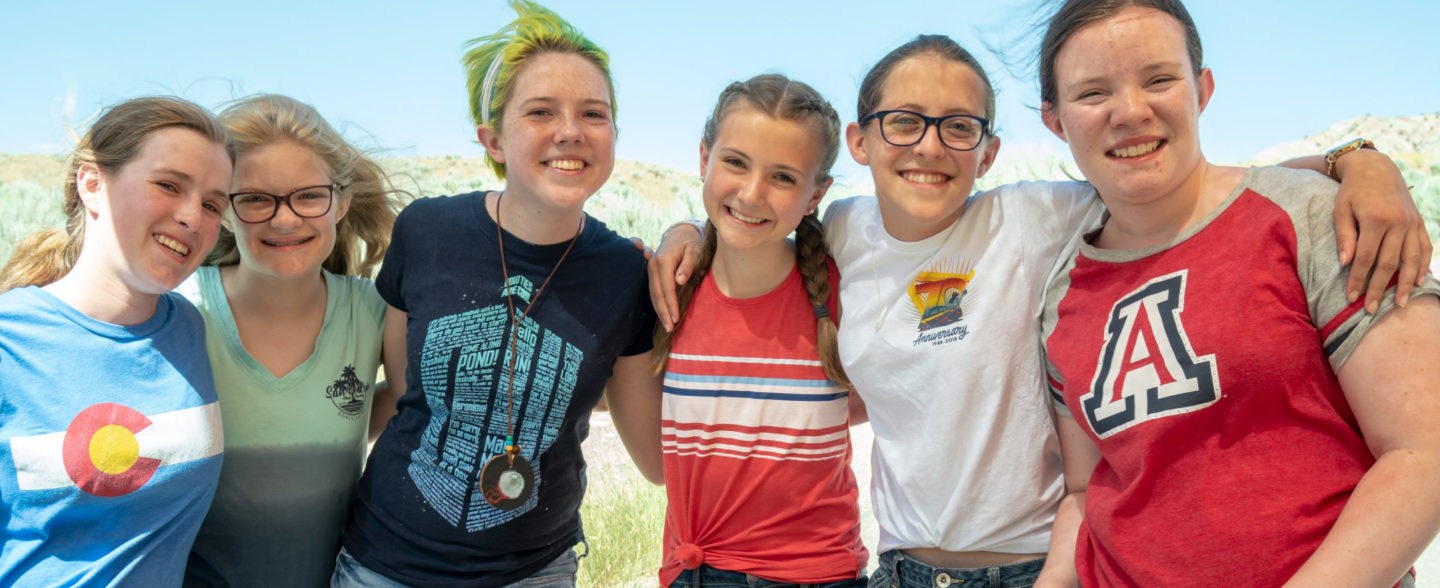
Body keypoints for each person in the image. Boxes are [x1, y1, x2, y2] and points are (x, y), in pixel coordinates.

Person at [648, 35, 1429, 588]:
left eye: (959, 127)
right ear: (860, 140)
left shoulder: (1034, 217)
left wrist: (1354, 163)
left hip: (1038, 566)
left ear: (987, 152)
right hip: (900, 567)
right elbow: (749, 221)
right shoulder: (840, 232)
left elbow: (1202, 187)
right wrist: (684, 231)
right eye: (904, 121)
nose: (930, 145)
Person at [1035, 1, 1440, 586]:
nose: (1131, 112)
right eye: (1093, 93)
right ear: (1056, 120)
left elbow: (1422, 452)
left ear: (1202, 89)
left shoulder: (1312, 216)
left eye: (1159, 79)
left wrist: (1359, 161)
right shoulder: (1060, 295)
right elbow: (1087, 488)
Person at [330, 2, 660, 586]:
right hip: (385, 564)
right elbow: (411, 394)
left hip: (535, 571)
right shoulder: (426, 231)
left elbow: (656, 460)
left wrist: (699, 237)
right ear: (494, 139)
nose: (571, 131)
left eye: (594, 113)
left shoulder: (624, 272)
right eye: (540, 111)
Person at [0, 96, 232, 585]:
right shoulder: (9, 342)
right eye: (168, 185)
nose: (193, 217)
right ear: (93, 184)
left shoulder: (187, 326)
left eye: (213, 204)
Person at [180, 94, 404, 587]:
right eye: (256, 199)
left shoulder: (373, 310)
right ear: (223, 208)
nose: (284, 219)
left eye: (308, 196)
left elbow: (409, 401)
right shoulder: (182, 311)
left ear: (341, 202)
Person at [652, 74, 867, 587]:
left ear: (817, 194)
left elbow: (868, 401)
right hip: (691, 573)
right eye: (735, 163)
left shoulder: (844, 294)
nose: (752, 193)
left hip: (817, 576)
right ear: (704, 158)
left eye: (784, 178)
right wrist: (676, 232)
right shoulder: (666, 290)